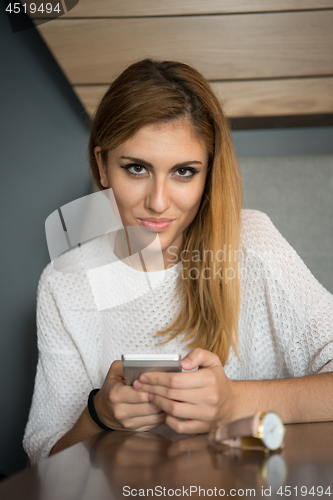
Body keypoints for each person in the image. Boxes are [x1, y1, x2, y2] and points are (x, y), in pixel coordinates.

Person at [23, 59, 333, 465]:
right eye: (137, 168)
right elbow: (44, 459)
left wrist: (234, 401)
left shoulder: (252, 243)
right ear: (102, 165)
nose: (158, 201)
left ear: (208, 174)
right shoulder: (63, 285)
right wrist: (98, 414)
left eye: (184, 172)